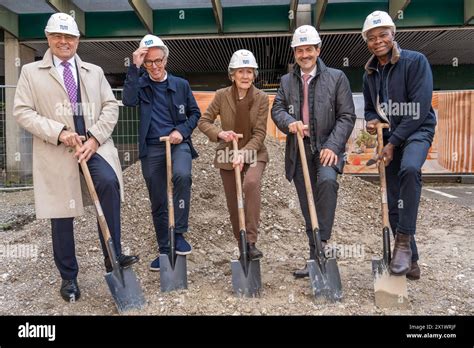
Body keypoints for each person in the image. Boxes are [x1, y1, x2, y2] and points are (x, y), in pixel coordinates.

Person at [13, 13, 138, 302]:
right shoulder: (31, 73)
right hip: (58, 151)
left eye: (69, 37)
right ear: (48, 38)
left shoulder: (93, 72)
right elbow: (22, 111)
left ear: (78, 40)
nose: (63, 41)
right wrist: (58, 131)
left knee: (108, 185)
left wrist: (95, 137)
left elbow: (110, 106)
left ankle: (113, 258)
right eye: (58, 36)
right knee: (62, 214)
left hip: (92, 146)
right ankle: (69, 277)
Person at [271, 25, 356, 278]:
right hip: (299, 149)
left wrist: (332, 146)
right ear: (295, 53)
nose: (304, 54)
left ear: (318, 50)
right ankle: (315, 256)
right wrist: (289, 122)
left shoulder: (337, 77)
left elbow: (347, 115)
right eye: (300, 50)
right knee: (307, 202)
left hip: (327, 146)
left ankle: (323, 244)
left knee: (327, 184)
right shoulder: (287, 81)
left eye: (309, 49)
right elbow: (277, 110)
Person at [361, 11, 436, 280]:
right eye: (372, 37)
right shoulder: (369, 73)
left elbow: (418, 109)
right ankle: (412, 260)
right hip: (390, 135)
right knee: (394, 202)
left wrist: (392, 142)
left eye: (383, 35)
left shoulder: (415, 61)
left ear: (393, 35)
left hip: (417, 130)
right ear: (367, 42)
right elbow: (370, 108)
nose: (378, 40)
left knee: (410, 168)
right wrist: (371, 120)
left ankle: (402, 243)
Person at [122, 34, 201, 271]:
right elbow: (128, 100)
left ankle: (178, 234)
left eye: (158, 61)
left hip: (178, 144)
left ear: (166, 59)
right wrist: (134, 68)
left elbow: (195, 114)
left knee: (182, 176)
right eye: (149, 62)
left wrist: (180, 130)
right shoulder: (141, 84)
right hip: (152, 148)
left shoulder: (180, 85)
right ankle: (165, 250)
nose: (155, 66)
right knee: (158, 200)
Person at [198, 49, 269, 260]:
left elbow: (260, 134)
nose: (245, 76)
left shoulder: (261, 98)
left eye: (249, 71)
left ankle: (252, 241)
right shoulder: (221, 96)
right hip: (227, 154)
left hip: (255, 152)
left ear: (254, 74)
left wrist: (244, 154)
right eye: (241, 72)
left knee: (250, 183)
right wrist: (220, 133)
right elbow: (204, 122)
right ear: (232, 75)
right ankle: (242, 247)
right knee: (233, 202)